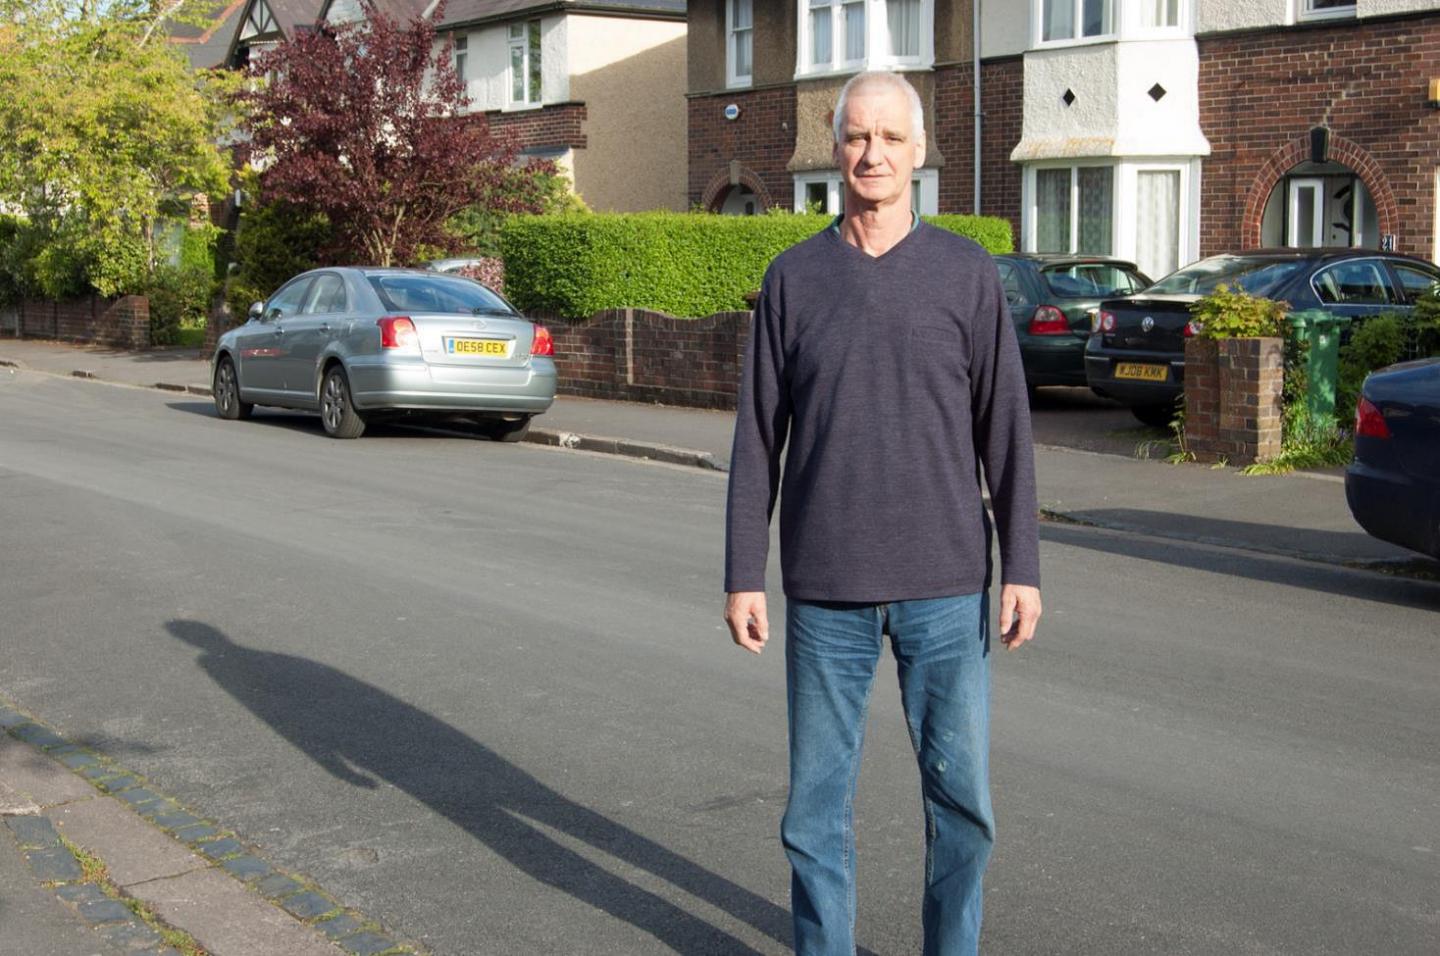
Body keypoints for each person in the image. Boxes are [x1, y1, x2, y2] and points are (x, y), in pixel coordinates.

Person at [722, 70, 1042, 956]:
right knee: (815, 816)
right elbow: (757, 437)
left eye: (891, 139)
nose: (873, 154)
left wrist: (1022, 565)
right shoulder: (792, 279)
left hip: (946, 588)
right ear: (836, 149)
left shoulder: (966, 276)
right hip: (825, 592)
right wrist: (742, 573)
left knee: (963, 810)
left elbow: (1005, 429)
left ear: (919, 151)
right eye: (858, 137)